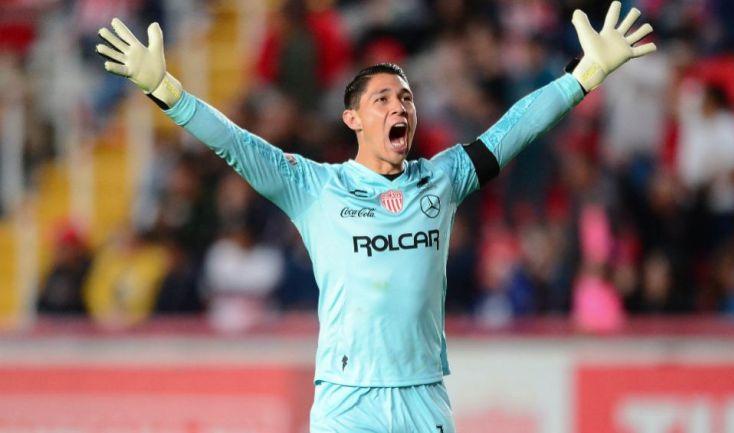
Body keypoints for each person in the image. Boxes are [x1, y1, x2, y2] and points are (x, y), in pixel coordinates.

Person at [95, 2, 655, 431]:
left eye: (406, 98)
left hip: (422, 397)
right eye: (384, 98)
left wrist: (581, 79)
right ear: (353, 118)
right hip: (346, 400)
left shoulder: (443, 177)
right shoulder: (313, 186)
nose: (400, 107)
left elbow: (513, 130)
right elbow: (235, 145)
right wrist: (165, 90)